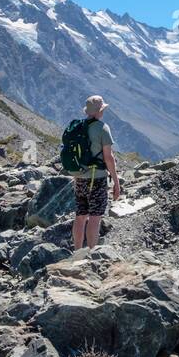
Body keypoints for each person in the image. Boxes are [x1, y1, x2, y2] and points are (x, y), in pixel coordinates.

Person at [66, 95, 122, 249]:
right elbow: (108, 158)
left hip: (79, 177)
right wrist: (116, 182)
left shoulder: (78, 127)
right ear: (99, 111)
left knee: (80, 217)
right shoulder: (103, 128)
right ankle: (91, 254)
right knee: (95, 218)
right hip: (96, 179)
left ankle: (77, 252)